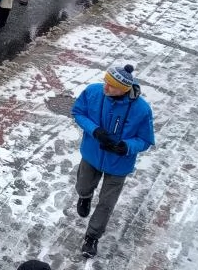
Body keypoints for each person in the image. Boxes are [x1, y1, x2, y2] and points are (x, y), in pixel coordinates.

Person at [71, 64, 154, 258]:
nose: (105, 88)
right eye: (105, 82)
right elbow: (78, 112)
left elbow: (145, 140)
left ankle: (92, 237)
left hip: (119, 165)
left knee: (107, 203)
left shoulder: (142, 110)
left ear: (124, 90)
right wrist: (94, 130)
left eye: (111, 86)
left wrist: (126, 147)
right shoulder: (93, 91)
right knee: (83, 185)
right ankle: (85, 196)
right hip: (91, 154)